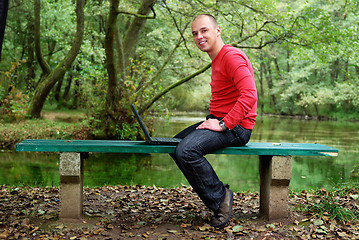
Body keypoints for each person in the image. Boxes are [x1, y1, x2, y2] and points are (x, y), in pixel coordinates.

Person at [170, 14, 257, 228]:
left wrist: (222, 124)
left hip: (236, 127)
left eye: (204, 30)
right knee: (173, 144)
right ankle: (216, 196)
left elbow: (250, 95)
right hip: (221, 120)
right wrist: (216, 121)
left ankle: (220, 198)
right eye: (195, 33)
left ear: (218, 30)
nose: (199, 36)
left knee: (186, 151)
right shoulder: (217, 59)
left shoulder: (231, 56)